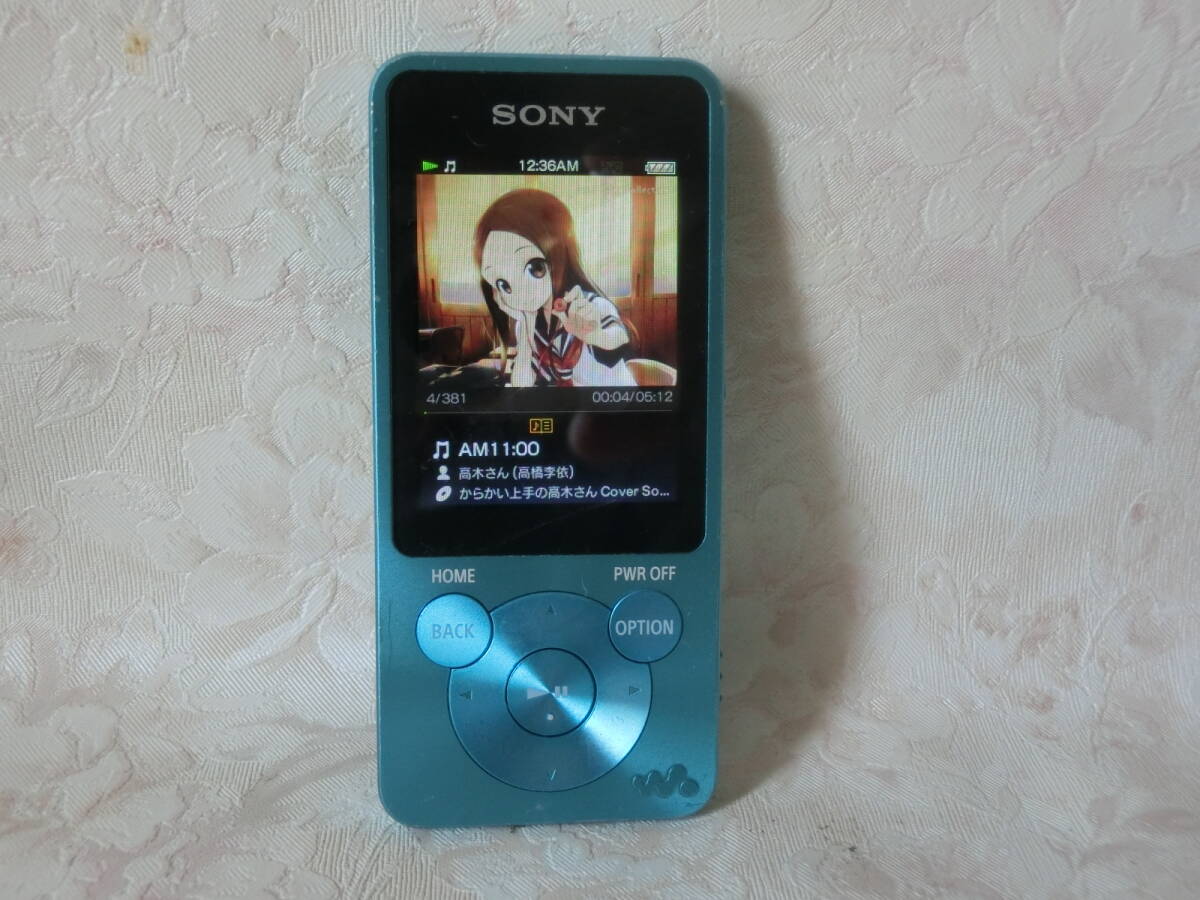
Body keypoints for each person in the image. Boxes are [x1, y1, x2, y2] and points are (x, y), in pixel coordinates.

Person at [473, 189, 635, 387]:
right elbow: (522, 385)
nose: (521, 292)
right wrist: (525, 328)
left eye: (535, 268)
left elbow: (618, 337)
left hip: (613, 403)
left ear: (558, 255)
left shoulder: (588, 306)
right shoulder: (527, 324)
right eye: (503, 284)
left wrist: (595, 335)